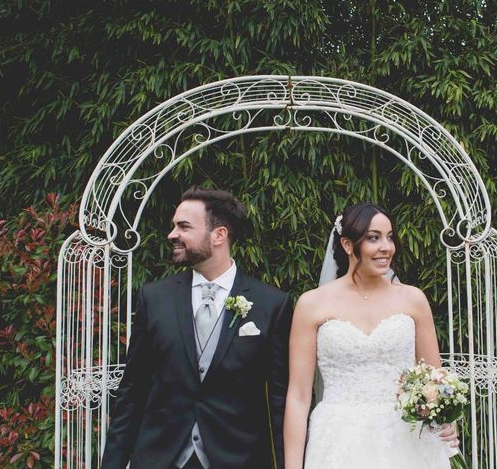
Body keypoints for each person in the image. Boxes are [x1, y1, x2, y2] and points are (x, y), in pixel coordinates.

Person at [101, 187, 293, 469]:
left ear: (219, 235)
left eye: (184, 226)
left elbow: (280, 403)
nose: (172, 234)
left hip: (238, 459)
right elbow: (133, 392)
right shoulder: (154, 298)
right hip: (160, 458)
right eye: (173, 226)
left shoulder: (271, 304)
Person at [283, 202, 459, 469]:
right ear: (347, 244)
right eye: (373, 238)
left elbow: (434, 377)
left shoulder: (413, 299)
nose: (386, 247)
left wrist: (448, 419)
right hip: (338, 439)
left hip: (405, 438)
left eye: (390, 237)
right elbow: (298, 396)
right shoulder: (312, 304)